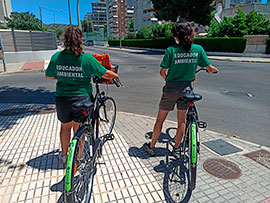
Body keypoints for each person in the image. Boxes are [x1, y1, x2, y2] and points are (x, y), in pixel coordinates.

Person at [143, 21, 218, 156]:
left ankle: (151, 146)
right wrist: (213, 70)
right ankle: (177, 148)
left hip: (171, 87)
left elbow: (162, 72)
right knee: (181, 121)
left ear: (177, 36)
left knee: (160, 120)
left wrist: (168, 79)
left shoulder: (171, 50)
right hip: (187, 89)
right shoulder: (198, 49)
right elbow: (209, 67)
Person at [45, 26, 119, 163]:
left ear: (64, 40)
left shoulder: (56, 57)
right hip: (82, 97)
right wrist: (116, 75)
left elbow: (49, 76)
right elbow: (105, 73)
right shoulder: (86, 58)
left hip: (62, 98)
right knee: (79, 127)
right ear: (80, 40)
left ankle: (64, 156)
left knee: (65, 127)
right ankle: (79, 156)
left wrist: (63, 77)